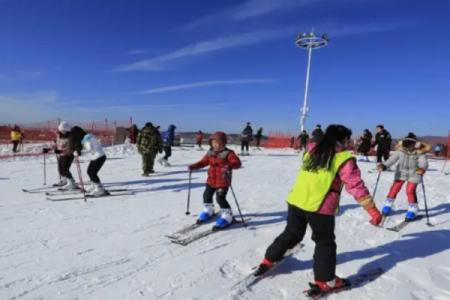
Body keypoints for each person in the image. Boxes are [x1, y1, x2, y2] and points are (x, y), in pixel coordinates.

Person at [254, 124, 382, 293]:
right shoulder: (343, 158)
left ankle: (269, 259)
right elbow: (355, 185)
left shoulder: (311, 150)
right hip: (320, 206)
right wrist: (372, 210)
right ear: (342, 140)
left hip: (297, 200)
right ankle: (326, 281)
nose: (348, 142)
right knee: (324, 243)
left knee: (291, 233)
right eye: (347, 139)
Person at [188, 131, 242, 229]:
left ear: (223, 143)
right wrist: (194, 166)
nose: (215, 145)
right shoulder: (210, 152)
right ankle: (209, 210)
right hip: (211, 180)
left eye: (218, 143)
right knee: (206, 195)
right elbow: (203, 162)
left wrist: (231, 165)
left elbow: (237, 162)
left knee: (220, 198)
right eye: (213, 143)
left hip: (223, 181)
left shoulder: (228, 153)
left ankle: (227, 216)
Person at [377, 132, 430, 220]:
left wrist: (422, 168)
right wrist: (384, 165)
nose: (407, 147)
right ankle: (388, 205)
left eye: (410, 145)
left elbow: (423, 162)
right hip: (401, 172)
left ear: (416, 144)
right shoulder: (400, 151)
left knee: (410, 190)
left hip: (414, 173)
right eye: (406, 144)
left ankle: (413, 209)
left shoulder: (420, 152)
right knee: (395, 188)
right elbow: (391, 160)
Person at [69, 126, 109, 196]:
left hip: (99, 156)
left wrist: (79, 153)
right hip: (96, 156)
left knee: (92, 173)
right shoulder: (86, 137)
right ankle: (94, 186)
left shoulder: (87, 138)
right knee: (90, 172)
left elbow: (89, 149)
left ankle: (99, 189)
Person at [53, 121, 73, 187]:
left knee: (65, 169)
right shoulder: (59, 136)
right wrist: (49, 149)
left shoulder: (70, 138)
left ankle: (71, 182)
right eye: (61, 130)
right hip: (61, 155)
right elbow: (56, 144)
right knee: (60, 169)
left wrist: (60, 151)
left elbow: (69, 148)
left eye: (64, 131)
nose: (63, 132)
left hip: (68, 155)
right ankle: (64, 180)